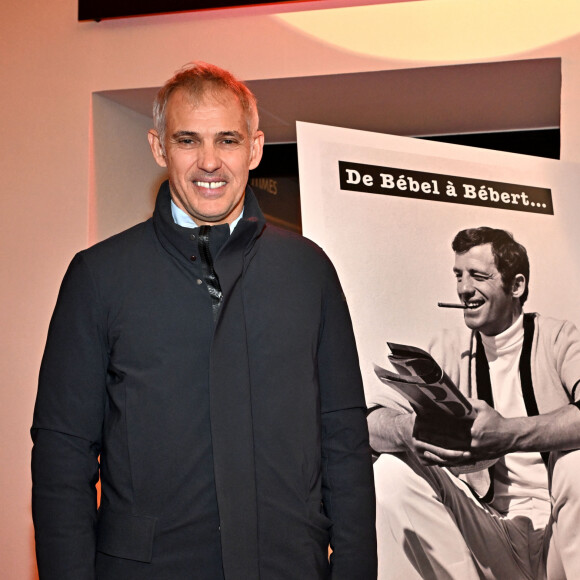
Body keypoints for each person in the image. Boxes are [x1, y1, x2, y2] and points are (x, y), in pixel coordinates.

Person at [31, 62, 377, 580]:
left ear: (255, 148)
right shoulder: (98, 276)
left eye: (228, 140)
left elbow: (345, 440)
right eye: (188, 140)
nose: (209, 162)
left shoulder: (309, 271)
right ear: (158, 148)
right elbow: (63, 457)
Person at [367, 227, 580, 580]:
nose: (464, 288)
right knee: (389, 474)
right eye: (459, 276)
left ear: (516, 286)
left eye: (478, 276)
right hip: (492, 535)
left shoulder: (560, 338)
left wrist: (509, 434)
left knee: (577, 464)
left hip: (559, 534)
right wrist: (410, 431)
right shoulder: (448, 348)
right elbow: (371, 422)